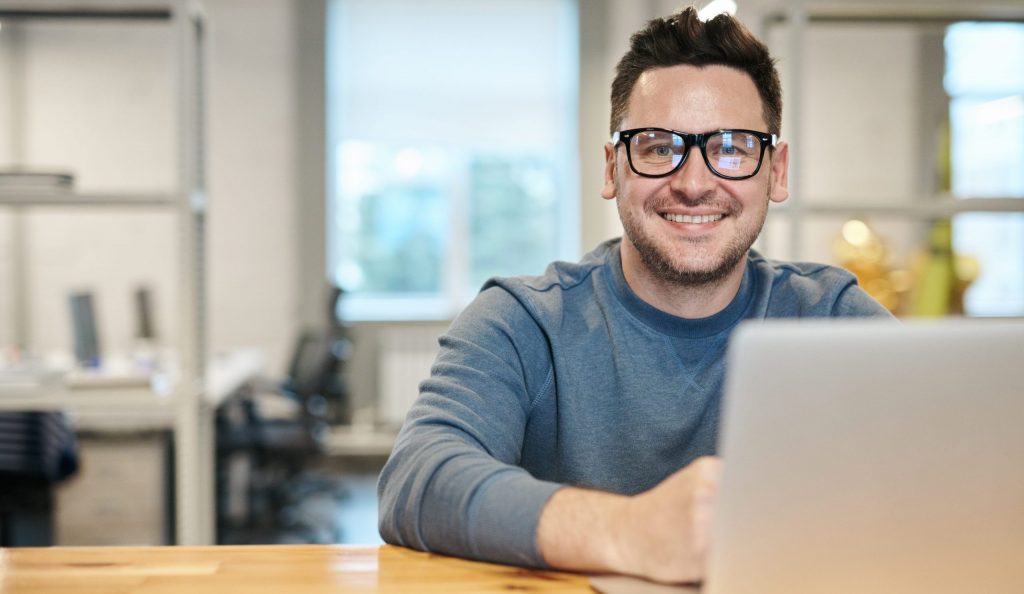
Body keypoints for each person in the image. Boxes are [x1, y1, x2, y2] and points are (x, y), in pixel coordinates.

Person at [377, 6, 892, 585]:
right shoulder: (524, 322)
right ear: (611, 168)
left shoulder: (833, 319)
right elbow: (418, 481)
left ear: (775, 171)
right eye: (655, 147)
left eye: (731, 147)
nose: (694, 183)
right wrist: (629, 531)